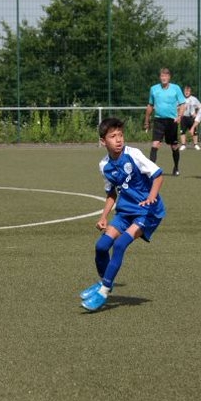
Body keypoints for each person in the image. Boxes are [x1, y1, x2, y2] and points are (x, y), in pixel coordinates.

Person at [79, 117, 166, 312]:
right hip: (125, 211)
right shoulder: (104, 165)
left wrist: (151, 197)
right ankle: (105, 282)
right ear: (103, 141)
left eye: (120, 135)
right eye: (113, 136)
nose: (118, 139)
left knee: (119, 245)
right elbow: (111, 193)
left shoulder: (133, 154)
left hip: (147, 211)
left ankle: (103, 292)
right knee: (101, 246)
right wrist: (103, 216)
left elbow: (158, 175)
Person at [144, 67, 185, 176]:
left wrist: (179, 116)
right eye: (162, 76)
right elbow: (150, 105)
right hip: (159, 120)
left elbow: (182, 104)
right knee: (155, 144)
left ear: (169, 77)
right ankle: (151, 170)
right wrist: (146, 121)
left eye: (166, 76)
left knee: (174, 146)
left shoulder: (176, 88)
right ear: (160, 77)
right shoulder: (154, 89)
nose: (164, 78)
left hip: (172, 121)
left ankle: (176, 167)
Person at [179, 85, 201, 151]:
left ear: (190, 92)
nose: (187, 92)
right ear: (183, 92)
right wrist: (180, 113)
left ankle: (195, 144)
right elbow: (177, 107)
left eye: (188, 91)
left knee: (194, 131)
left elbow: (200, 106)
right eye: (185, 91)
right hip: (183, 117)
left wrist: (196, 114)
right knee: (182, 131)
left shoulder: (194, 99)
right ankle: (183, 145)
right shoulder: (181, 99)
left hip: (191, 117)